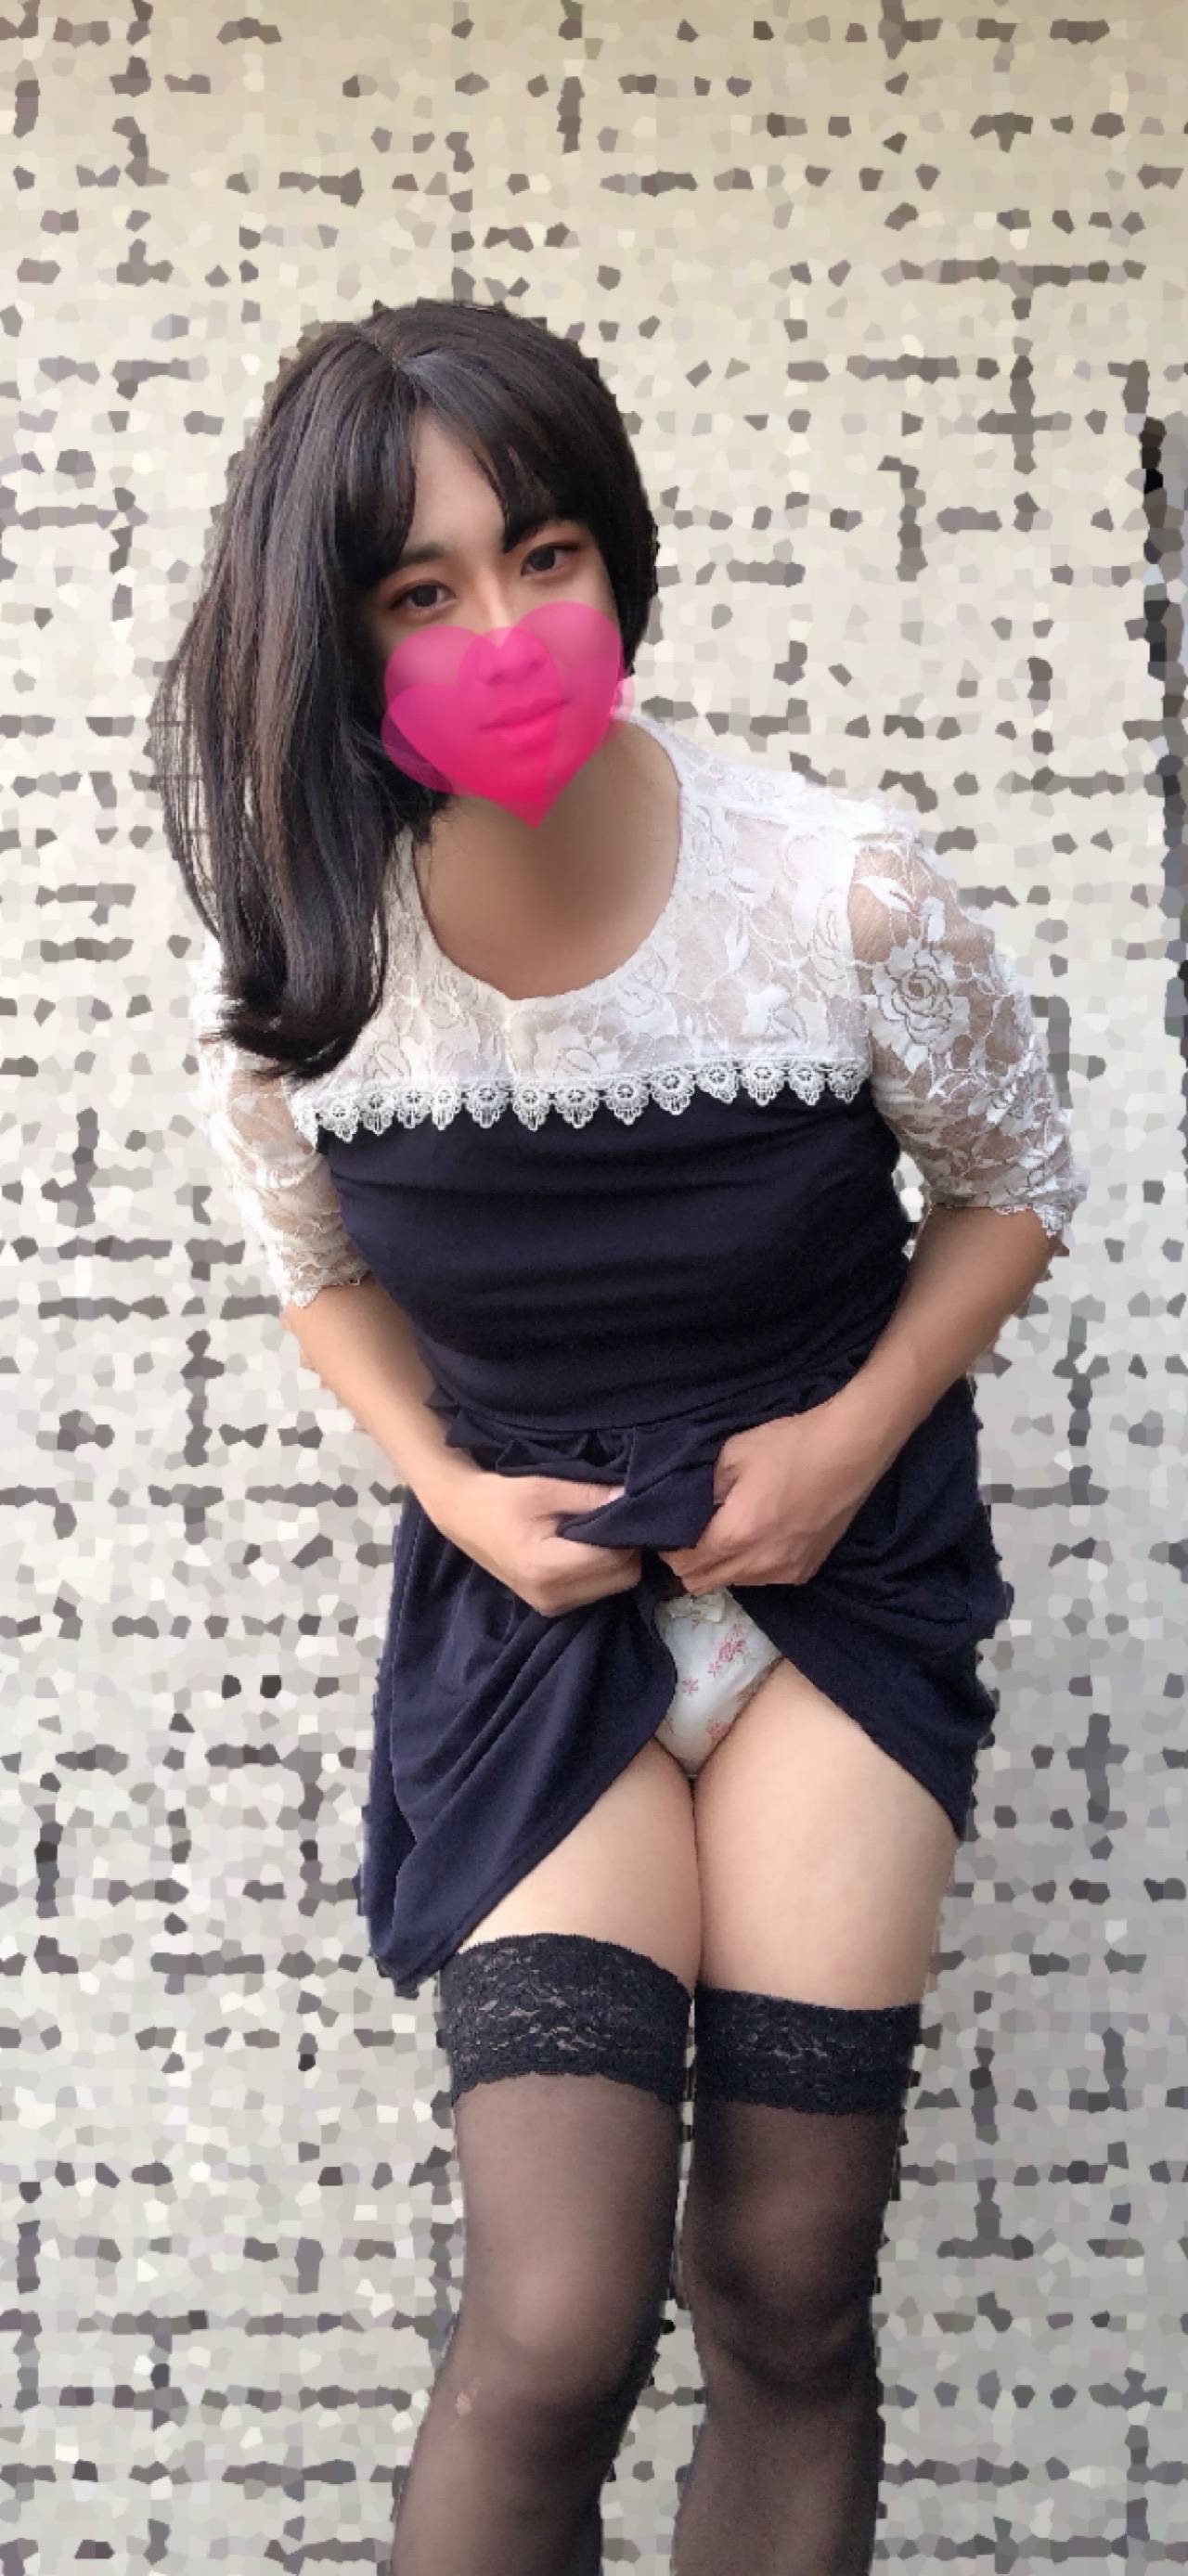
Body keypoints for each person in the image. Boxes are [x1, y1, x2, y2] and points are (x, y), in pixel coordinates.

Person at [154, 296, 1090, 2574]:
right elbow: (318, 1273)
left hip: (833, 1598)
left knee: (783, 2279)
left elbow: (1009, 1184)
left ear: (617, 556)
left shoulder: (837, 888)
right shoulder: (310, 968)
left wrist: (853, 1437)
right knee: (555, 2316)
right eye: (421, 587)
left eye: (544, 553)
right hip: (535, 1630)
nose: (504, 626)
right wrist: (452, 1490)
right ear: (333, 634)